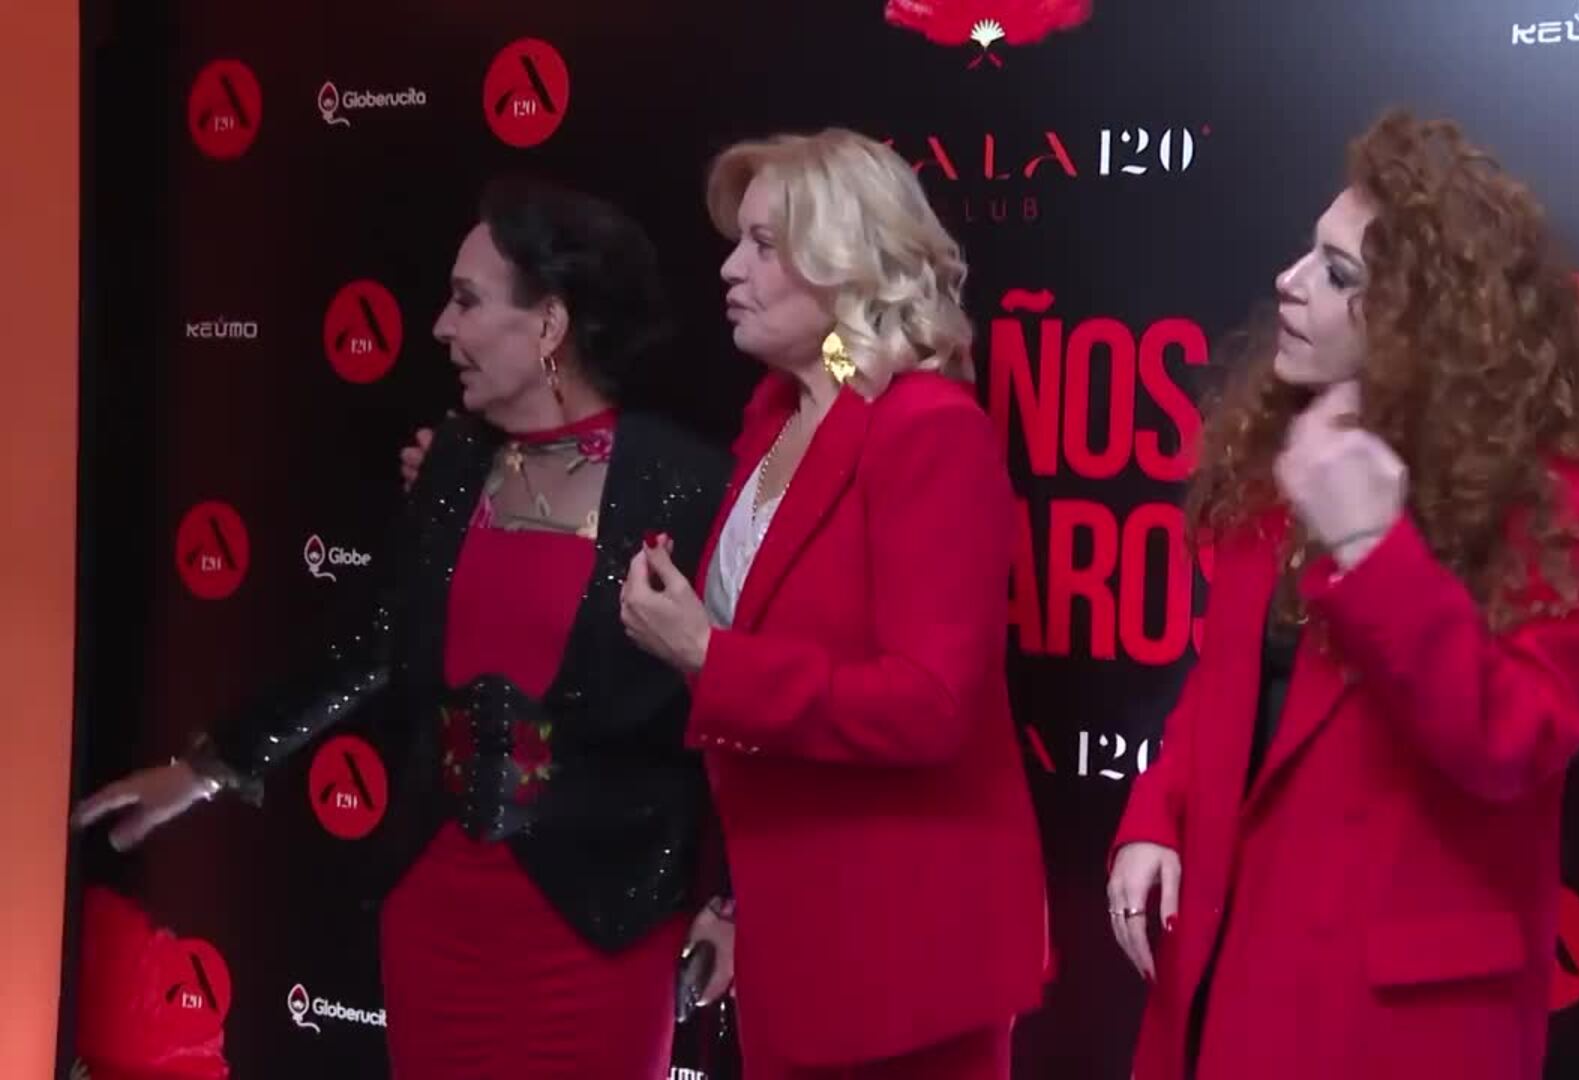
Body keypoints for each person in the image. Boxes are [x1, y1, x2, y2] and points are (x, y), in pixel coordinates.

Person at [74, 176, 735, 1079]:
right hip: (437, 913)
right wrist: (208, 768)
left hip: (605, 924)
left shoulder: (684, 482)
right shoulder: (455, 463)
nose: (440, 328)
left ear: (549, 325)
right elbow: (372, 646)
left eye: (467, 302)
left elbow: (727, 714)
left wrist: (729, 904)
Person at [1105, 109, 1579, 1080]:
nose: (1289, 281)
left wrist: (1373, 548)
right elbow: (1225, 688)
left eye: (1336, 274)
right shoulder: (1283, 456)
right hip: (1224, 971)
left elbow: (1511, 742)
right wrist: (1158, 815)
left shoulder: (1564, 512)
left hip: (1387, 1026)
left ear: (1420, 321)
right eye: (1310, 254)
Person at [615, 129, 1050, 1080]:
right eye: (737, 241)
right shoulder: (784, 415)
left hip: (905, 972)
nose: (729, 267)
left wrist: (706, 655)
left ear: (848, 261)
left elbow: (928, 706)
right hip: (797, 945)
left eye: (763, 245)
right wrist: (737, 903)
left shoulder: (930, 432)